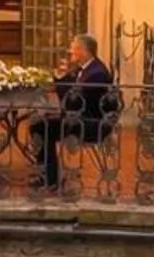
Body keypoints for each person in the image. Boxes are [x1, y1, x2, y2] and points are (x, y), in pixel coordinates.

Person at [30, 33, 118, 192]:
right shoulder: (86, 68)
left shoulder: (96, 73)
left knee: (40, 126)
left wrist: (59, 87)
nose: (70, 52)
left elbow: (74, 101)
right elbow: (69, 87)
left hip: (89, 123)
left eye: (73, 48)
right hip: (78, 117)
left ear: (84, 51)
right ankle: (49, 174)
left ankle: (49, 178)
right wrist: (58, 78)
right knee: (41, 123)